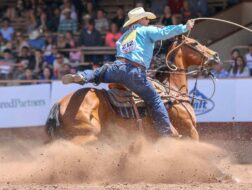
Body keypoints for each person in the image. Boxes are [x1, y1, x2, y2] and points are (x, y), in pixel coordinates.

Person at [61, 7, 194, 136]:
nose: (148, 20)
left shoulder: (123, 37)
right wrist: (184, 27)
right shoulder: (146, 30)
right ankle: (166, 134)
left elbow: (120, 53)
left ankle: (82, 76)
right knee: (155, 100)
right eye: (146, 18)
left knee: (99, 73)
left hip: (117, 68)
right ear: (140, 19)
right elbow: (165, 32)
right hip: (134, 72)